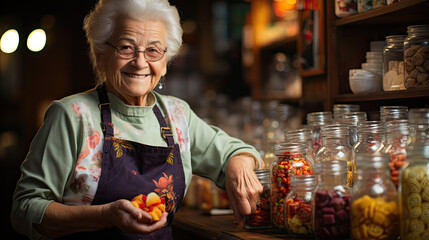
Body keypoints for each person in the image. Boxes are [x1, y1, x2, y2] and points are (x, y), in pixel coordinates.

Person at [11, 0, 264, 239]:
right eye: (126, 47)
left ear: (165, 62)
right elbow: (25, 210)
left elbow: (234, 151)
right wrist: (105, 215)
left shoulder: (177, 115)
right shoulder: (72, 115)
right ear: (100, 55)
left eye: (153, 50)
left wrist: (238, 164)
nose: (140, 61)